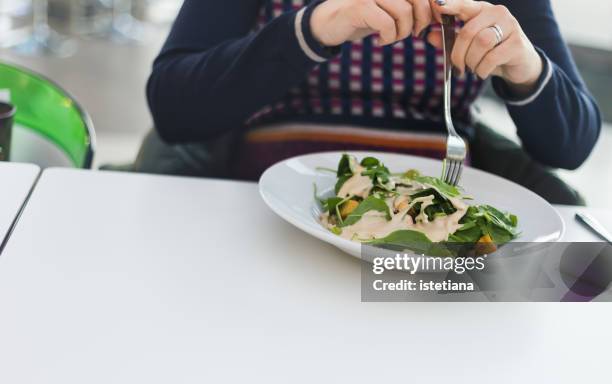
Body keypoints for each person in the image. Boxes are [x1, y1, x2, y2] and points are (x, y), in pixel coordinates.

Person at [135, 0, 601, 205]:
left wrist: (526, 67)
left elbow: (572, 147)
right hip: (265, 201)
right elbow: (173, 107)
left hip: (438, 229)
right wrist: (315, 27)